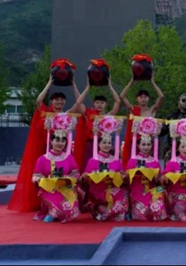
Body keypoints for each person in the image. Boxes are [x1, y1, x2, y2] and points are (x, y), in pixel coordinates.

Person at [9, 76, 81, 212]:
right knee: (47, 176)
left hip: (64, 152)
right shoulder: (46, 113)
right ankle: (46, 202)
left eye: (61, 100)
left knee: (64, 176)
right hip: (47, 150)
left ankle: (63, 201)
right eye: (56, 100)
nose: (59, 102)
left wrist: (74, 86)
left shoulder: (67, 115)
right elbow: (38, 101)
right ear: (52, 101)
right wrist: (49, 82)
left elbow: (79, 103)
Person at [31, 113, 81, 223]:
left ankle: (56, 213)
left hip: (65, 188)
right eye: (57, 140)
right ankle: (52, 213)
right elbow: (35, 176)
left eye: (63, 141)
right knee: (57, 200)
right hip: (49, 189)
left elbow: (76, 174)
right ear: (51, 141)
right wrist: (44, 180)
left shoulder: (69, 157)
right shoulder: (42, 159)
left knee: (69, 200)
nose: (60, 143)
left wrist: (69, 178)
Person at [82, 115, 128, 221]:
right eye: (104, 142)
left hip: (112, 189)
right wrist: (87, 176)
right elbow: (85, 177)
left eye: (109, 143)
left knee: (123, 192)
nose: (107, 145)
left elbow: (122, 175)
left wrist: (123, 176)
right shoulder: (93, 160)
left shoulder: (115, 160)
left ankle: (112, 213)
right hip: (98, 191)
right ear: (98, 144)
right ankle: (104, 211)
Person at [73, 79, 122, 172]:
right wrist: (88, 88)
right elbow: (79, 102)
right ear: (94, 104)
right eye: (97, 103)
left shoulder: (108, 116)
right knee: (89, 169)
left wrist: (110, 86)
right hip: (91, 145)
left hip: (105, 145)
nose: (100, 105)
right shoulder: (89, 114)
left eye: (102, 103)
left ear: (106, 104)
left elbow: (117, 102)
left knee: (106, 169)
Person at [126, 116, 168, 221]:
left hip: (152, 190)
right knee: (141, 216)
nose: (146, 147)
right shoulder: (133, 161)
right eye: (143, 144)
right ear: (138, 145)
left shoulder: (154, 161)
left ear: (152, 145)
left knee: (162, 190)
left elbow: (160, 179)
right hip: (137, 191)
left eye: (148, 144)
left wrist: (161, 178)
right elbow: (126, 179)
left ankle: (162, 212)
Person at [120, 76, 165, 167]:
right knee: (135, 165)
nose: (143, 99)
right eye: (141, 97)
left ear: (148, 98)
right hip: (135, 143)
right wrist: (132, 81)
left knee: (150, 165)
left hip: (148, 144)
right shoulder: (133, 110)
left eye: (145, 97)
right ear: (137, 98)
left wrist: (152, 82)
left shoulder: (152, 110)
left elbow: (161, 97)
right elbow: (122, 96)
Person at [160, 93, 186, 162]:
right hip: (173, 151)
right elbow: (162, 131)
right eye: (183, 100)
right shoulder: (172, 116)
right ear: (179, 102)